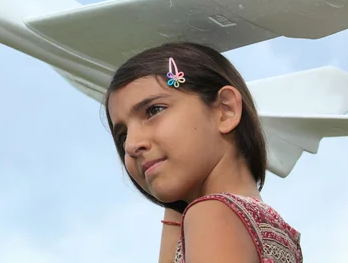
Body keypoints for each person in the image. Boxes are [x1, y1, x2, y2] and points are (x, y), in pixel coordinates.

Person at [104, 42, 303, 263]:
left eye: (154, 110)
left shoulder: (211, 215)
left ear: (225, 110)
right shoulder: (274, 232)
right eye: (122, 136)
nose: (131, 145)